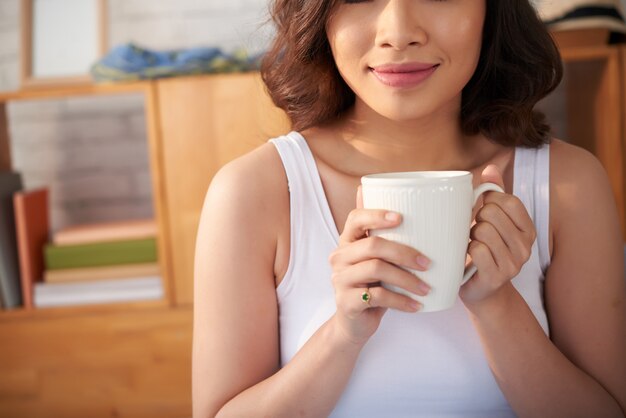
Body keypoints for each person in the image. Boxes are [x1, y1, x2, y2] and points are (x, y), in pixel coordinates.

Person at [192, 0, 626, 416]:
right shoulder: (255, 192)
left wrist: (497, 305)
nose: (398, 34)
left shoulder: (568, 185)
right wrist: (343, 334)